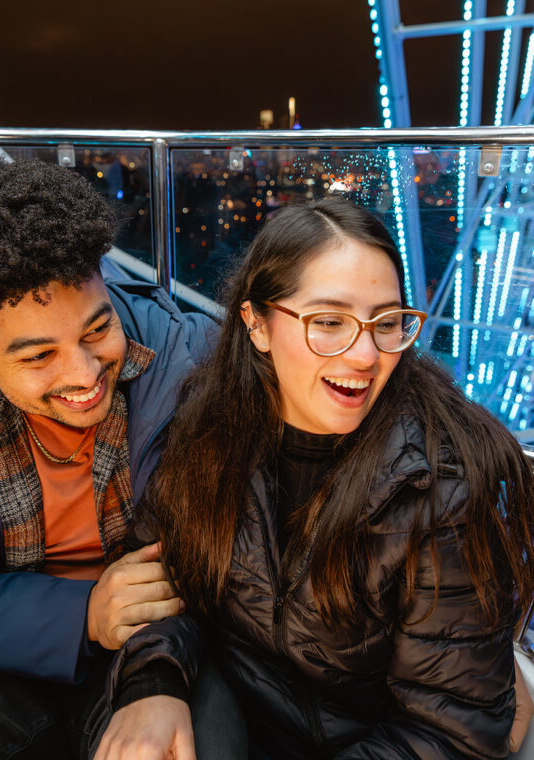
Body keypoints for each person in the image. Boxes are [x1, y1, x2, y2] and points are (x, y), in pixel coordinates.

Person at [112, 197, 534, 759]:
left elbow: (450, 729)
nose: (364, 354)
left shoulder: (440, 488)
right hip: (245, 720)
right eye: (330, 322)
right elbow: (164, 580)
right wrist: (153, 683)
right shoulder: (208, 427)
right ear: (256, 325)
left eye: (386, 323)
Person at [0, 158, 245, 760]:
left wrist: (153, 674)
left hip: (155, 642)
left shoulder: (184, 366)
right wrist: (83, 615)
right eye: (39, 357)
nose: (85, 375)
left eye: (97, 330)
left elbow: (219, 550)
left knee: (208, 742)